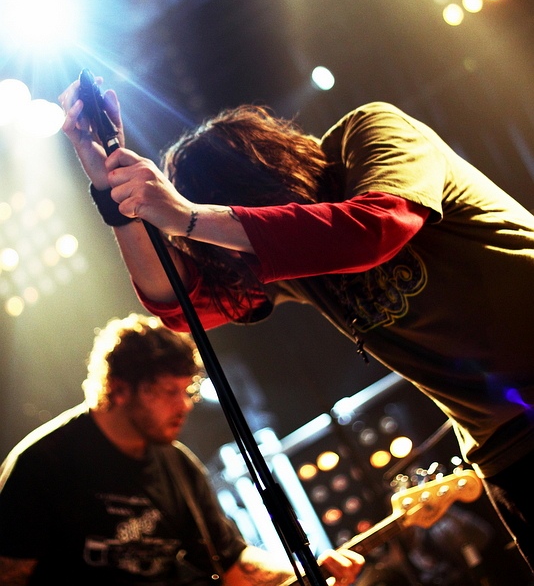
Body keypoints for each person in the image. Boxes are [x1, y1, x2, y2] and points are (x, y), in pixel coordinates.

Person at [59, 76, 534, 575]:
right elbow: (183, 307)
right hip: (506, 447)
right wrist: (116, 199)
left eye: (245, 222)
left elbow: (375, 228)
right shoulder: (292, 266)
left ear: (274, 183)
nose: (245, 251)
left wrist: (192, 218)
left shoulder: (372, 133)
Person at [0, 313, 364, 585]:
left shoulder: (176, 464)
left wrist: (312, 569)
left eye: (186, 391)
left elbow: (234, 562)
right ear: (120, 388)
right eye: (168, 392)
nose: (185, 405)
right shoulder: (42, 466)